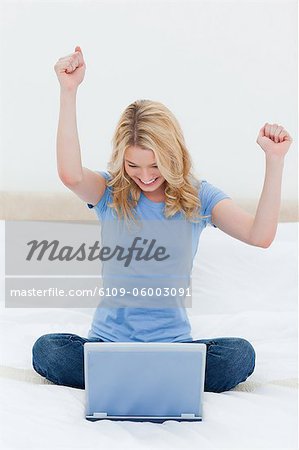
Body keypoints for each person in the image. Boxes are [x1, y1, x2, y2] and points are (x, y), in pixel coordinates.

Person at [32, 46, 293, 392]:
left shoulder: (199, 197)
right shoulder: (110, 192)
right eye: (133, 165)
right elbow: (70, 175)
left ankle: (132, 378)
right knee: (48, 350)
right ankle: (153, 380)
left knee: (238, 355)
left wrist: (274, 161)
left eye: (155, 165)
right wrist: (69, 91)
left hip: (173, 348)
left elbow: (260, 235)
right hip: (108, 346)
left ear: (173, 155)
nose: (145, 175)